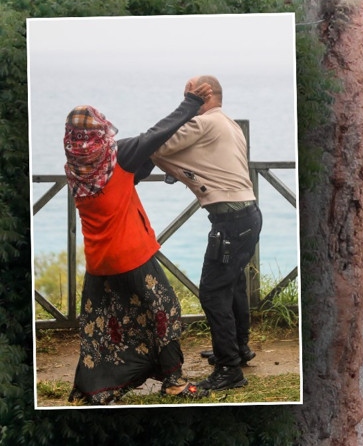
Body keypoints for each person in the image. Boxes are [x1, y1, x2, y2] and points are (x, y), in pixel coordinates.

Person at [66, 82, 213, 405]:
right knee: (164, 312)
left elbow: (125, 179)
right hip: (132, 257)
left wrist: (145, 159)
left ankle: (93, 389)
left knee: (105, 328)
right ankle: (173, 382)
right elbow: (155, 134)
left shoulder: (76, 167)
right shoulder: (115, 155)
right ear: (101, 130)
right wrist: (191, 103)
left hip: (98, 264)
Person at [152, 75, 262, 392]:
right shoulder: (229, 125)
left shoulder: (204, 125)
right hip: (248, 215)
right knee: (233, 284)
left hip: (230, 221)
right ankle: (239, 350)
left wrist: (176, 169)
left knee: (213, 292)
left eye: (190, 97)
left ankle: (229, 370)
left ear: (207, 95)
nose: (187, 105)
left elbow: (157, 144)